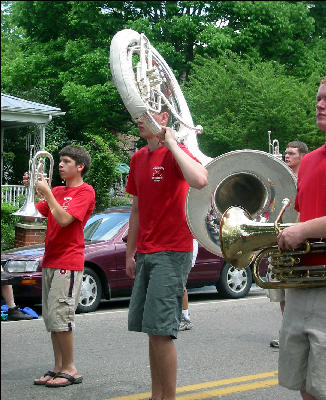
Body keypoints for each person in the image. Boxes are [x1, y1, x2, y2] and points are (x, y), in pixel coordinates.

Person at [125, 110, 208, 400]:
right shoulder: (137, 159)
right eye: (135, 115)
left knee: (162, 332)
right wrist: (129, 253)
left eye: (144, 114)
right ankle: (156, 395)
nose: (137, 120)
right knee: (152, 331)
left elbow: (200, 179)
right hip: (147, 252)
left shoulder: (177, 152)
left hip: (173, 251)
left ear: (162, 117)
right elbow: (135, 210)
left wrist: (172, 143)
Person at [24, 146, 95, 388]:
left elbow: (64, 220)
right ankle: (57, 367)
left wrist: (48, 194)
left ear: (80, 167)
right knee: (53, 319)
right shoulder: (57, 190)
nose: (61, 165)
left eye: (66, 161)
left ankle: (70, 368)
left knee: (63, 317)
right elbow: (37, 213)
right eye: (60, 161)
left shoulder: (85, 192)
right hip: (51, 260)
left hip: (68, 261)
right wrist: (33, 188)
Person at [276, 77, 326, 400]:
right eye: (319, 99)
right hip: (302, 282)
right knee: (304, 384)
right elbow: (302, 216)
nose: (319, 105)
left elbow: (303, 227)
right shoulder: (307, 162)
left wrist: (301, 232)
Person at [268, 140, 308, 348]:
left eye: (292, 153)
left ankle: (296, 332)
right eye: (286, 153)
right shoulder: (279, 178)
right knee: (282, 289)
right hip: (280, 236)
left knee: (295, 290)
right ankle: (287, 329)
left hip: (299, 239)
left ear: (302, 156)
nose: (287, 156)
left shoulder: (306, 177)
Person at [179, 239, 198, 331]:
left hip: (186, 247)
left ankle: (185, 318)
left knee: (179, 283)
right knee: (179, 283)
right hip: (184, 246)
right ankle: (183, 315)